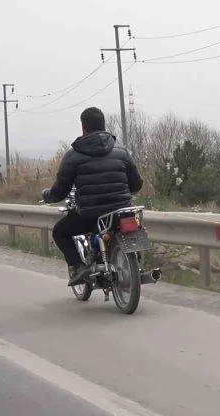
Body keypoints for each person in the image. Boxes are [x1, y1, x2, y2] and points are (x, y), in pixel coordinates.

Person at [42, 107, 143, 286]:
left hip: (91, 215)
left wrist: (47, 196)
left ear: (84, 127)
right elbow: (136, 184)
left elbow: (60, 190)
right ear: (103, 125)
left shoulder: (73, 155)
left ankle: (79, 268)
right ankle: (134, 260)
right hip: (121, 212)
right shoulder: (121, 150)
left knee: (60, 232)